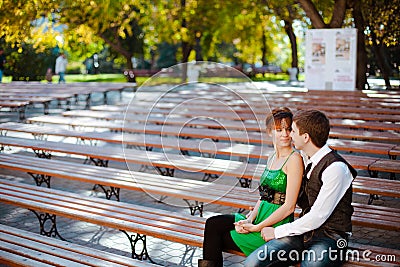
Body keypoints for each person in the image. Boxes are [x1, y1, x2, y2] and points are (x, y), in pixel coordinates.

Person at [245, 110, 357, 267]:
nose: (289, 135)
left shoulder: (336, 168)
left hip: (331, 238)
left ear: (305, 137)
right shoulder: (306, 158)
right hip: (303, 232)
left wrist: (277, 232)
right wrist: (257, 210)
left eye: (293, 131)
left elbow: (317, 217)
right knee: (254, 262)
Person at [199, 107, 304, 267]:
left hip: (274, 227)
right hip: (259, 217)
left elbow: (289, 207)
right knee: (213, 223)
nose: (285, 134)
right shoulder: (271, 157)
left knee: (217, 237)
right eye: (279, 129)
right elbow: (264, 195)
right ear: (270, 132)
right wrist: (250, 219)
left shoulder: (294, 159)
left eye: (288, 129)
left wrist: (256, 227)